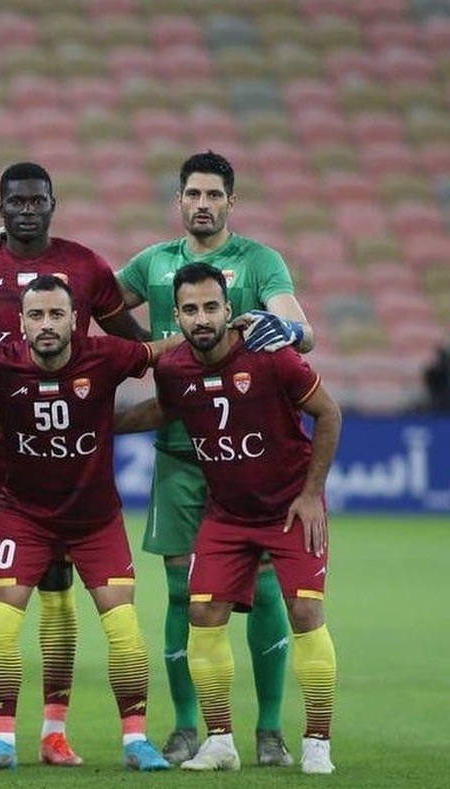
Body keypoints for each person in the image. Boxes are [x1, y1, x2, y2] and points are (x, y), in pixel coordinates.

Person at [0, 162, 147, 765]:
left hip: (63, 458)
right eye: (16, 201)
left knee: (56, 587)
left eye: (37, 200)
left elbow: (134, 341)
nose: (27, 209)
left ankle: (54, 731)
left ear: (53, 203)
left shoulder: (87, 266)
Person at [115, 151, 315, 766]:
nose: (203, 204)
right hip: (181, 453)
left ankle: (270, 730)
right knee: (183, 594)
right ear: (178, 200)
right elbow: (89, 304)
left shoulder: (260, 261)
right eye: (193, 194)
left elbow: (299, 327)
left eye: (214, 195)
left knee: (266, 591)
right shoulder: (152, 262)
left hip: (251, 463)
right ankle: (186, 726)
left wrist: (286, 330)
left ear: (232, 201)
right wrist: (144, 349)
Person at [0, 275, 171, 771]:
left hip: (95, 520)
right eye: (37, 315)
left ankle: (136, 741)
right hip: (24, 516)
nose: (47, 324)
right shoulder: (0, 359)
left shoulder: (105, 355)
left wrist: (229, 339)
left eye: (56, 315)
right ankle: (2, 739)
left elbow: (160, 351)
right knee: (2, 619)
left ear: (75, 320)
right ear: (21, 323)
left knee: (123, 623)